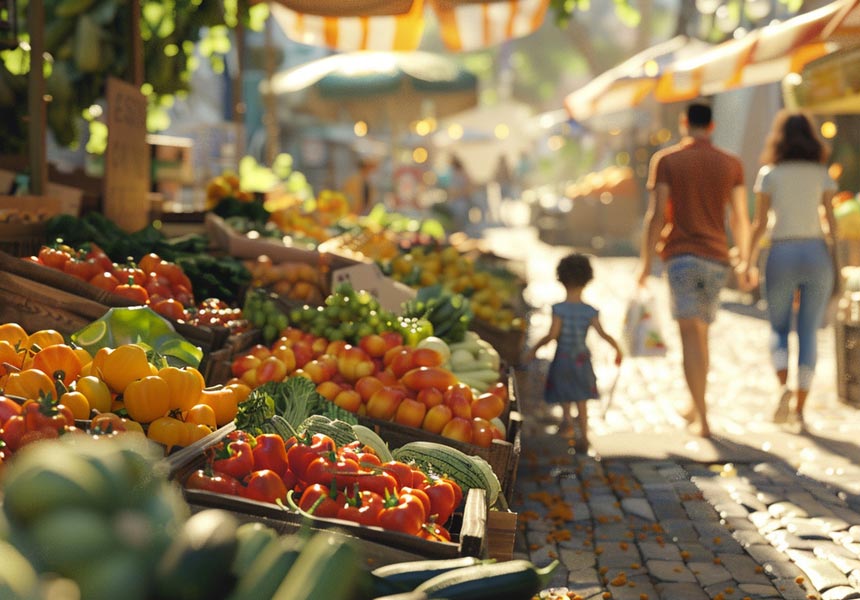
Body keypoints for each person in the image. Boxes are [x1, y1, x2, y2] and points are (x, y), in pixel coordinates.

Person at [636, 102, 753, 439]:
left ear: (684, 123)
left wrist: (645, 262)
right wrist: (744, 261)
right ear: (712, 126)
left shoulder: (667, 160)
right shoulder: (732, 163)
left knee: (690, 335)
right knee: (701, 332)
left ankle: (702, 419)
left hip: (682, 257)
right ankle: (694, 402)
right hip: (717, 259)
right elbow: (740, 218)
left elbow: (656, 215)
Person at [747, 110, 838, 428]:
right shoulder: (820, 173)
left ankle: (783, 386)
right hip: (815, 251)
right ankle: (800, 409)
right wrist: (834, 258)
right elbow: (830, 221)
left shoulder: (769, 174)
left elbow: (759, 224)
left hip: (781, 251)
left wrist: (746, 260)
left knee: (779, 328)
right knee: (809, 332)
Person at [524, 252, 623, 451]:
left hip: (562, 359)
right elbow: (603, 333)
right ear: (588, 280)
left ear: (560, 279)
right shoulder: (590, 311)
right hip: (581, 360)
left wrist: (534, 349)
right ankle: (584, 435)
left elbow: (552, 335)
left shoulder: (559, 309)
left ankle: (567, 422)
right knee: (581, 397)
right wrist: (617, 349)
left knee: (564, 392)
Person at [445, 156, 473, 233]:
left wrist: (459, 193)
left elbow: (469, 188)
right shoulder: (453, 174)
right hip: (455, 201)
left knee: (461, 222)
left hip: (461, 202)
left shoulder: (462, 174)